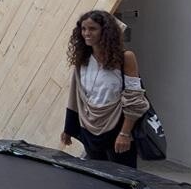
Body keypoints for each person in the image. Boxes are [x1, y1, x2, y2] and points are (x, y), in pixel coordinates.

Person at [60, 10, 150, 168]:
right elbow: (76, 97)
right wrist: (68, 129)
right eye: (83, 29)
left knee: (122, 180)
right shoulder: (83, 60)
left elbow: (135, 99)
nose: (87, 33)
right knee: (94, 179)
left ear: (105, 31)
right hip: (89, 129)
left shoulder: (125, 58)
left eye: (92, 29)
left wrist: (125, 133)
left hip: (117, 129)